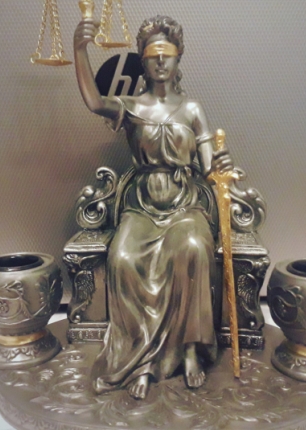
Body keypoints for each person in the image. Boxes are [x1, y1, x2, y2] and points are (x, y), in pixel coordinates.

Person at [74, 15, 233, 400]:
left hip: (184, 203)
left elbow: (208, 166)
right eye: (153, 54)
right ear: (143, 62)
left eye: (168, 53)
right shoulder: (130, 106)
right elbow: (94, 102)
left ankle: (191, 350)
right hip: (142, 204)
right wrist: (80, 50)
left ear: (179, 59)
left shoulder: (192, 109)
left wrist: (222, 165)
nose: (161, 60)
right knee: (123, 258)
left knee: (193, 248)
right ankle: (141, 360)